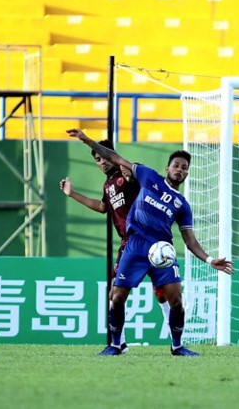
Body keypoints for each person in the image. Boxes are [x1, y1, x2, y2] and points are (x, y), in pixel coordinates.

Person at [67, 129, 233, 357]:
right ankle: (116, 345)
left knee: (176, 301)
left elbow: (190, 240)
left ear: (187, 174)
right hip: (134, 245)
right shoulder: (148, 176)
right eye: (176, 165)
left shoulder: (182, 205)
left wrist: (210, 259)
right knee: (116, 297)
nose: (180, 170)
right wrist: (88, 141)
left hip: (163, 251)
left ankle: (177, 346)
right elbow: (114, 157)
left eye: (184, 168)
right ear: (168, 168)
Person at [60, 140, 171, 352]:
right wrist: (72, 194)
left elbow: (145, 183)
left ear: (112, 154)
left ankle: (176, 338)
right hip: (128, 244)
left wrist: (130, 176)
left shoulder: (129, 170)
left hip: (150, 239)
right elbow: (103, 207)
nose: (102, 162)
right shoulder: (108, 185)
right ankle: (119, 343)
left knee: (163, 290)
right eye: (97, 160)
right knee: (116, 293)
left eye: (104, 157)